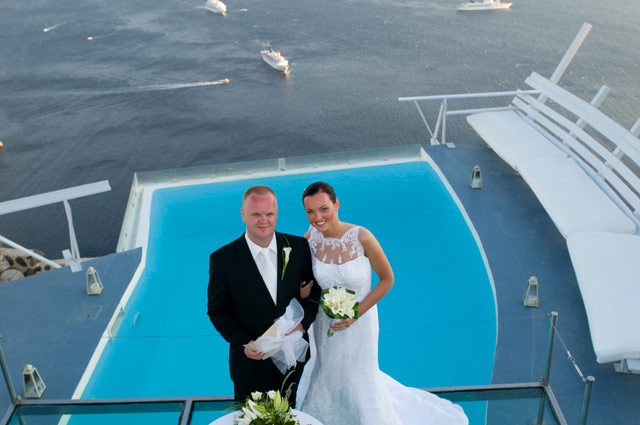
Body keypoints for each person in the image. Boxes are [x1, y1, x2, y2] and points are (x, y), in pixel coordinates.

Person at [299, 181, 468, 425]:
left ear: (336, 204)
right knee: (329, 375)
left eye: (324, 208)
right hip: (325, 325)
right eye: (310, 212)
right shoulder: (309, 240)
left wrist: (355, 313)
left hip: (360, 322)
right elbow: (309, 282)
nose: (317, 217)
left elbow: (387, 279)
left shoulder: (362, 237)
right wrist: (304, 290)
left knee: (359, 377)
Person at [207, 185, 320, 405]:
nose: (263, 220)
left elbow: (314, 291)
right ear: (243, 214)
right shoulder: (223, 259)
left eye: (269, 214)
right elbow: (217, 311)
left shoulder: (298, 247)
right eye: (256, 214)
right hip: (251, 368)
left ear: (277, 213)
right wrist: (244, 343)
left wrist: (302, 323)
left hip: (295, 361)